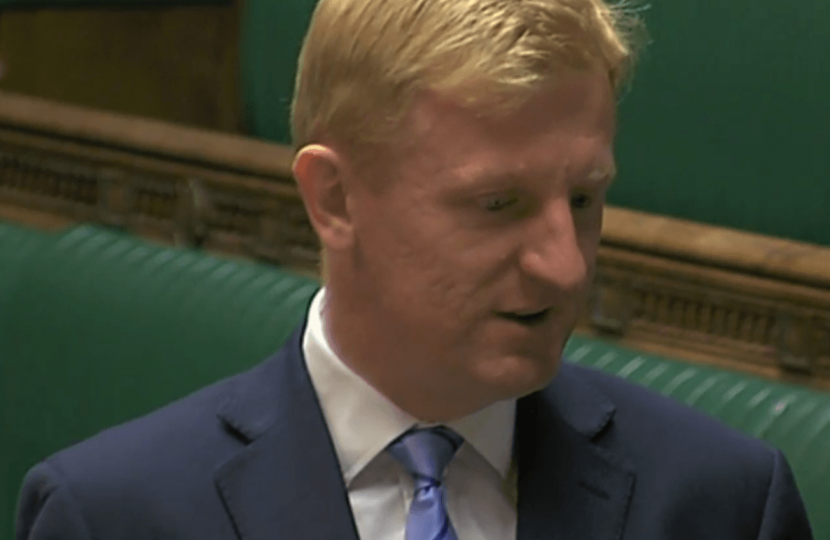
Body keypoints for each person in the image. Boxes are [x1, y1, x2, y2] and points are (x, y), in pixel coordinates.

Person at [16, 0, 814, 538]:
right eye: (496, 205)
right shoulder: (114, 516)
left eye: (582, 199)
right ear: (335, 198)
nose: (565, 268)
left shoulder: (723, 504)